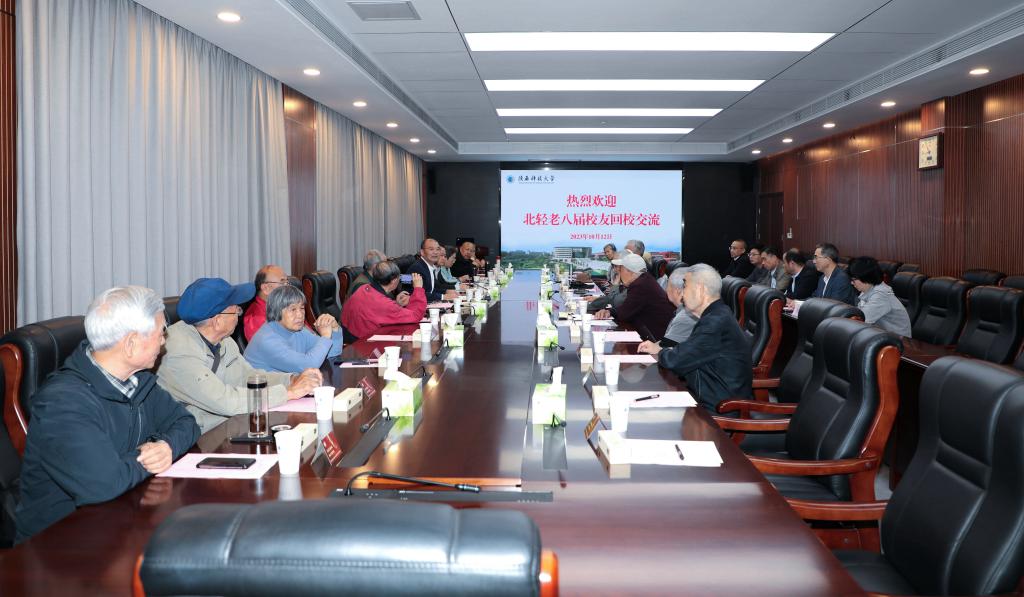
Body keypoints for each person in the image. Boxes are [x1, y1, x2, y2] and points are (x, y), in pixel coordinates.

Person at [15, 286, 200, 541]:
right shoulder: (63, 402)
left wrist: (165, 446)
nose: (163, 342)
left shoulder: (137, 382)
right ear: (131, 344)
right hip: (59, 546)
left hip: (121, 523)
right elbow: (102, 485)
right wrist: (144, 458)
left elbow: (186, 422)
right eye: (160, 333)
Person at [157, 278, 322, 433]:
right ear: (217, 321)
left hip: (226, 425)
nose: (239, 313)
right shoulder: (178, 350)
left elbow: (247, 377)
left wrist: (291, 379)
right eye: (236, 309)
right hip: (194, 437)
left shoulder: (224, 340)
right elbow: (224, 401)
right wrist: (288, 392)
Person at [638, 264, 752, 412]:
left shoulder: (714, 323)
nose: (682, 295)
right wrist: (662, 350)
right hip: (706, 397)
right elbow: (689, 352)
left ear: (700, 290)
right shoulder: (717, 315)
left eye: (685, 287)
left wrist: (661, 352)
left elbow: (674, 360)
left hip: (718, 410)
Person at [244, 285, 344, 372]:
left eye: (302, 308)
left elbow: (333, 352)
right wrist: (325, 337)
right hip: (265, 388)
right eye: (293, 309)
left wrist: (335, 330)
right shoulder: (267, 340)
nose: (300, 315)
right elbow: (309, 365)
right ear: (276, 311)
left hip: (291, 385)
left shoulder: (298, 330)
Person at [594, 253, 675, 340]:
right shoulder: (645, 279)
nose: (619, 272)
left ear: (629, 271)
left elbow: (623, 314)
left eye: (621, 269)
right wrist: (610, 312)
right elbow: (627, 308)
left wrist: (610, 311)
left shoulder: (640, 285)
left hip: (657, 339)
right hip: (654, 332)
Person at [342, 261, 428, 339]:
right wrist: (418, 289)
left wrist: (396, 304)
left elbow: (375, 310)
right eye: (399, 277)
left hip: (350, 334)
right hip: (362, 343)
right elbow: (416, 316)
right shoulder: (384, 304)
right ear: (394, 281)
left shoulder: (364, 288)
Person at [848, 257, 913, 336]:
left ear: (865, 277)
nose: (852, 283)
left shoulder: (881, 295)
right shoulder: (869, 290)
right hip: (881, 335)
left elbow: (860, 321)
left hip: (897, 340)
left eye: (853, 279)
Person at [243, 264, 288, 341]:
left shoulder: (286, 306)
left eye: (287, 282)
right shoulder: (256, 319)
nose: (288, 287)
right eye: (282, 282)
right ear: (266, 288)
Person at [407, 238, 458, 302]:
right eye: (431, 249)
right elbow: (418, 294)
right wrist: (443, 296)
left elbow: (431, 289)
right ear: (422, 252)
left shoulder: (429, 266)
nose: (435, 252)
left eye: (437, 249)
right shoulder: (417, 268)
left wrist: (446, 291)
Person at [660, 266, 698, 347]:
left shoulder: (685, 316)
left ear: (677, 291)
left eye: (668, 285)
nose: (665, 289)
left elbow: (665, 348)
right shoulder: (688, 310)